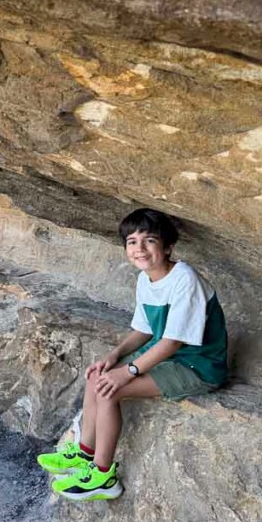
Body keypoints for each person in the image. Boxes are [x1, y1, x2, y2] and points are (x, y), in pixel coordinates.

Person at [36, 208, 228, 501]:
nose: (140, 248)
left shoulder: (183, 279)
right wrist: (113, 357)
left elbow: (172, 342)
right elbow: (143, 331)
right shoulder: (145, 280)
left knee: (110, 392)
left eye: (150, 240)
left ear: (167, 247)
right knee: (97, 376)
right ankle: (84, 454)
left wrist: (128, 371)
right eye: (132, 241)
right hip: (171, 358)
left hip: (197, 366)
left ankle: (102, 476)